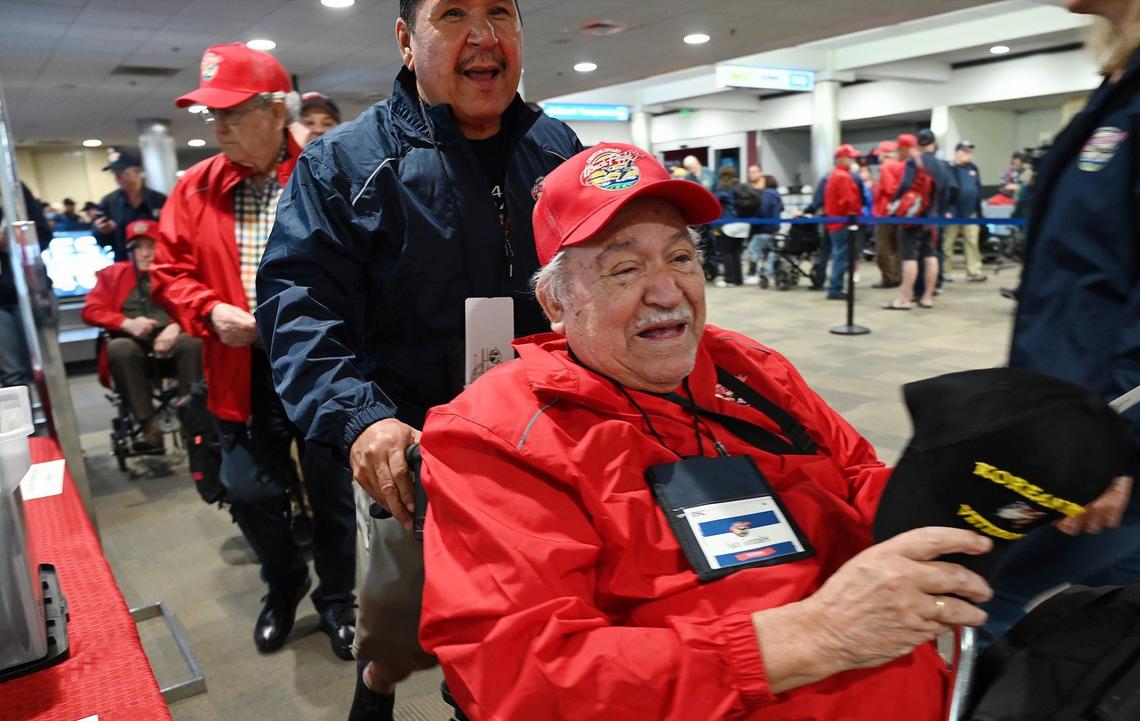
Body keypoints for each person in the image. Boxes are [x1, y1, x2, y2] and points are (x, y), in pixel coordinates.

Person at [417, 143, 995, 720]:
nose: (667, 292)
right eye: (625, 269)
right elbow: (522, 675)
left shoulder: (748, 370)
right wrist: (813, 636)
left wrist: (1000, 490)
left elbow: (862, 481)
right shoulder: (498, 436)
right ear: (555, 303)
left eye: (681, 258)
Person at [254, 1, 583, 718]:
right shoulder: (344, 163)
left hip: (542, 449)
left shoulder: (559, 151)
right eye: (453, 13)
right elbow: (298, 306)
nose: (482, 34)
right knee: (406, 612)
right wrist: (360, 417)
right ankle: (375, 686)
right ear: (407, 39)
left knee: (523, 639)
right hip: (416, 452)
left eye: (500, 11)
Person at [151, 42, 357, 662]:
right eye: (211, 116)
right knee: (246, 489)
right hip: (239, 366)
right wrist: (209, 311)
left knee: (332, 494)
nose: (217, 128)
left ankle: (339, 600)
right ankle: (286, 580)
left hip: (323, 363)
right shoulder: (195, 188)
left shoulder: (328, 171)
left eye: (231, 113)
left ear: (274, 111)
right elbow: (168, 270)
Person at [981, 0, 1140, 644]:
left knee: (973, 598)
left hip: (1101, 438)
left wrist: (1118, 446)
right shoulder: (1120, 85)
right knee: (1112, 618)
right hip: (1065, 414)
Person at [81, 219, 202, 452]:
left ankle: (193, 422)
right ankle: (148, 428)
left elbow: (195, 305)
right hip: (134, 344)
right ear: (130, 250)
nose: (145, 253)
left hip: (174, 340)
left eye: (151, 246)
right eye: (138, 247)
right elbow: (90, 310)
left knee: (193, 342)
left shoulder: (176, 272)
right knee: (120, 348)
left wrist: (176, 325)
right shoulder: (113, 275)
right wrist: (125, 323)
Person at [0, 183, 52, 387]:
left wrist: (12, 239)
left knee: (44, 368)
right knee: (12, 375)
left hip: (32, 289)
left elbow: (43, 234)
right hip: (3, 300)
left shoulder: (14, 188)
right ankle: (20, 419)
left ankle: (51, 418)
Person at [884, 129, 942, 310]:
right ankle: (927, 297)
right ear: (933, 144)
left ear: (917, 144)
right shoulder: (940, 165)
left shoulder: (913, 162)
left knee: (909, 257)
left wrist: (894, 201)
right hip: (931, 216)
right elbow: (947, 190)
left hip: (913, 215)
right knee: (930, 256)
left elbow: (906, 184)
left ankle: (904, 298)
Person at [93, 149, 167, 262]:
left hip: (157, 261)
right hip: (124, 261)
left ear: (137, 171)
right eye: (114, 174)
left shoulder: (158, 200)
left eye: (122, 172)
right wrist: (101, 231)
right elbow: (103, 240)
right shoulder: (109, 202)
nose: (118, 178)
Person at [821, 144, 863, 300]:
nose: (853, 160)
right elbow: (849, 201)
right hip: (843, 222)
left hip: (835, 221)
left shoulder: (834, 176)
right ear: (842, 159)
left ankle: (835, 286)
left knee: (839, 255)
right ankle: (835, 288)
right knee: (841, 257)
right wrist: (854, 217)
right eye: (851, 157)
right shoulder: (843, 177)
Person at [945, 140, 986, 282]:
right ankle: (945, 271)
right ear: (958, 153)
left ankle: (974, 271)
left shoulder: (974, 169)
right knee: (947, 242)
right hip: (953, 211)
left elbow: (978, 189)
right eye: (966, 151)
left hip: (971, 212)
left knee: (972, 241)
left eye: (970, 151)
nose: (969, 154)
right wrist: (947, 209)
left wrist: (978, 211)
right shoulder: (949, 168)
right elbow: (947, 190)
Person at [872, 138, 904, 288]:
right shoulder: (902, 166)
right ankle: (898, 275)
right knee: (896, 246)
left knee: (883, 248)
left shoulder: (886, 167)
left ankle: (889, 278)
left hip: (884, 212)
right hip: (898, 212)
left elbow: (890, 189)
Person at [712, 165, 750, 287]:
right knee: (736, 253)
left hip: (728, 225)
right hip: (744, 225)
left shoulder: (723, 189)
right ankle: (739, 279)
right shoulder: (741, 187)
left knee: (726, 252)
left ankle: (729, 280)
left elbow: (714, 202)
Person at [745, 175, 783, 286]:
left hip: (763, 228)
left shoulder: (766, 194)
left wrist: (754, 219)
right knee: (771, 252)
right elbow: (782, 208)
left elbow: (763, 210)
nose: (758, 183)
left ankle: (754, 275)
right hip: (774, 228)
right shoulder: (776, 194)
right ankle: (769, 273)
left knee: (753, 250)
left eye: (761, 181)